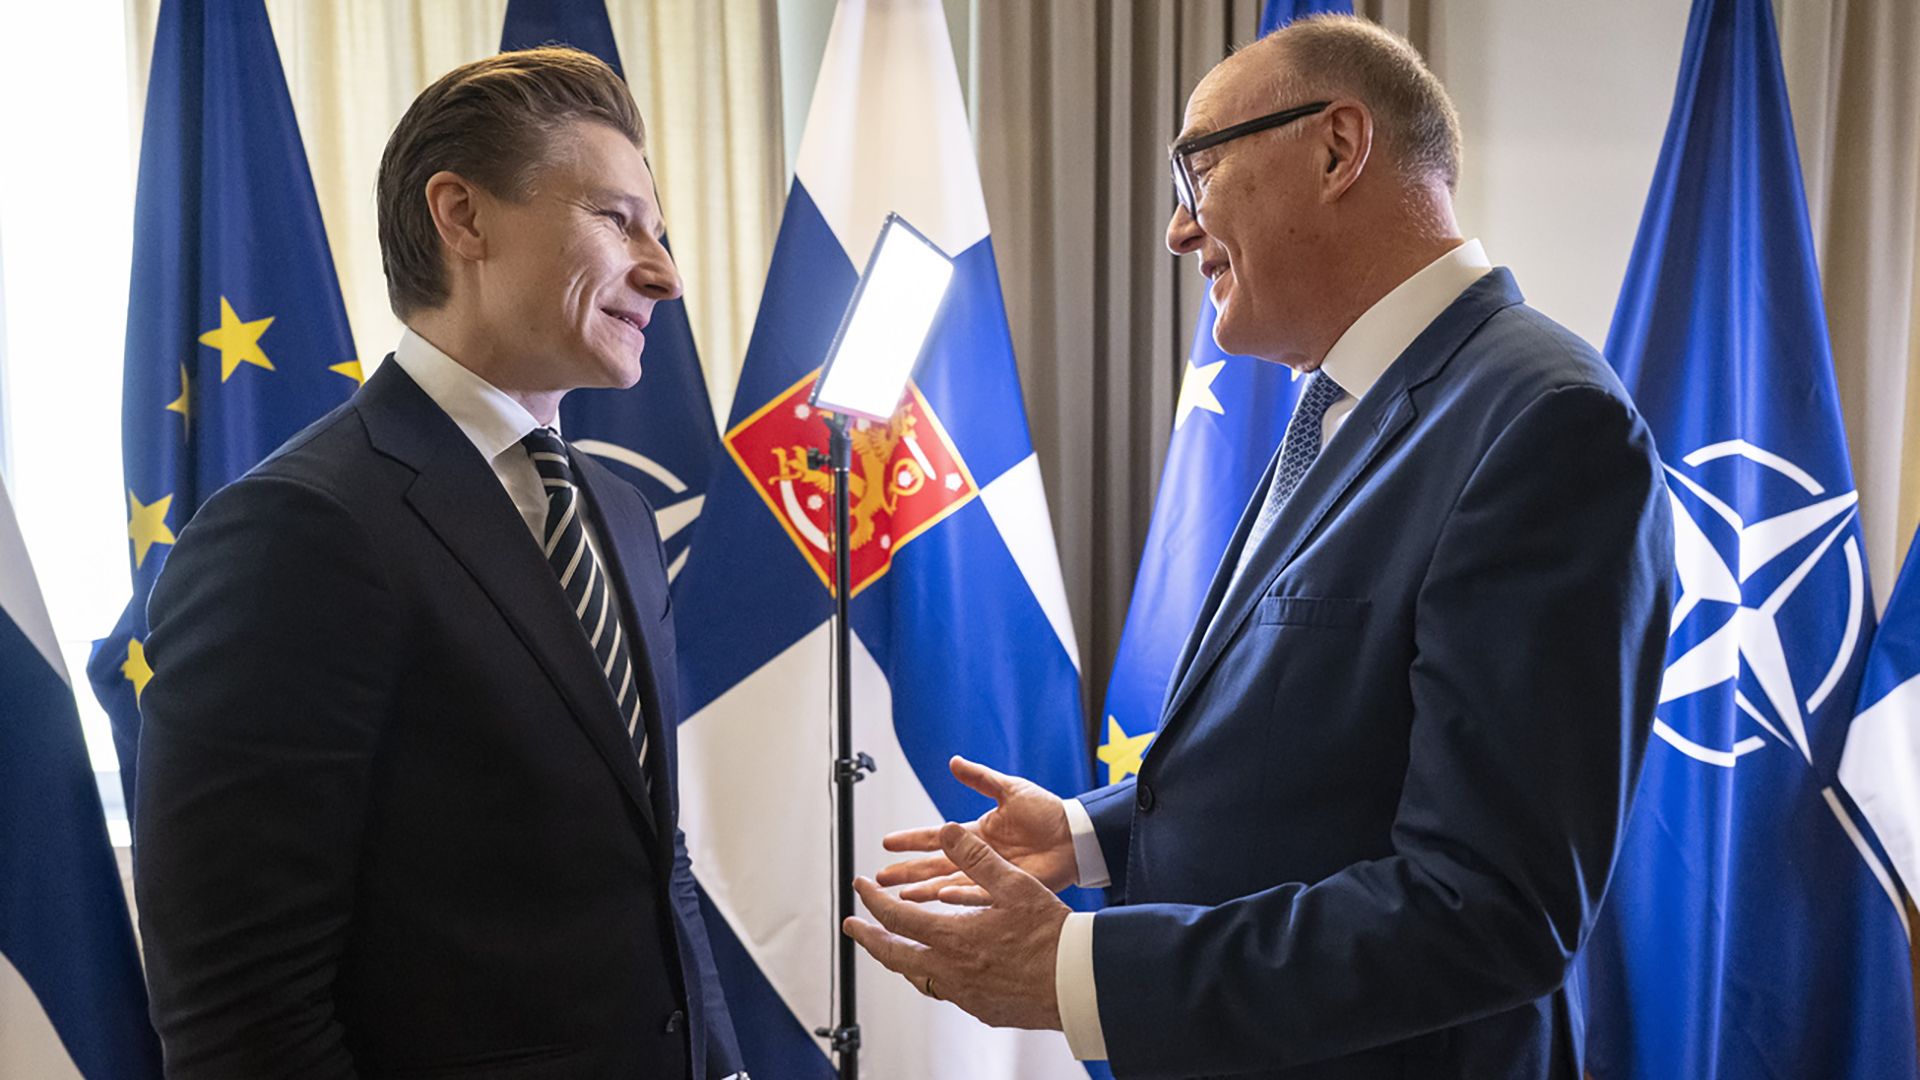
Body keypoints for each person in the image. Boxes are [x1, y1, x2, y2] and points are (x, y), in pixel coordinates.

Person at [843, 15, 1673, 1079]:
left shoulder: (1542, 424)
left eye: (1197, 171)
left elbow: (1489, 909)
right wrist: (1095, 835)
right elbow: (1327, 773)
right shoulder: (1341, 403)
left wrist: (1080, 970)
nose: (1177, 234)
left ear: (1337, 148)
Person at [135, 48, 745, 1079]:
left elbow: (651, 866)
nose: (664, 272)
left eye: (662, 230)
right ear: (461, 217)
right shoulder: (296, 530)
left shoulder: (626, 516)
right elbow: (241, 1005)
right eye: (617, 219)